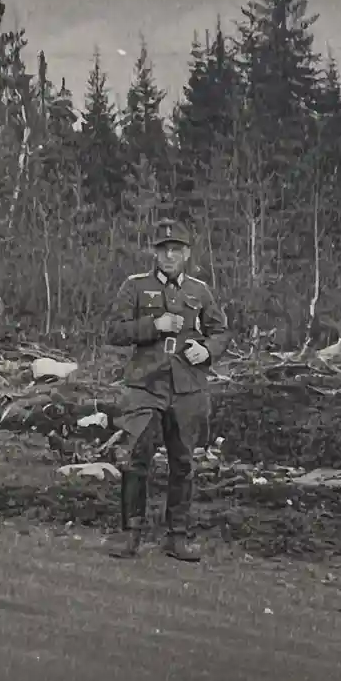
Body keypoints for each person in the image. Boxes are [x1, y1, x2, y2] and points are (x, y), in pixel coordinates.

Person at [105, 218, 230, 562]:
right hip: (146, 384)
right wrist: (153, 325)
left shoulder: (199, 291)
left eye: (177, 250)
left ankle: (177, 536)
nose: (170, 256)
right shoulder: (135, 286)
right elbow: (115, 331)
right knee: (136, 456)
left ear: (187, 254)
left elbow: (221, 332)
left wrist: (207, 351)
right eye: (163, 250)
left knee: (183, 462)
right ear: (154, 252)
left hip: (188, 387)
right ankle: (131, 533)